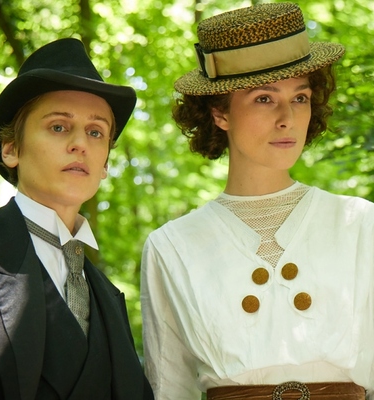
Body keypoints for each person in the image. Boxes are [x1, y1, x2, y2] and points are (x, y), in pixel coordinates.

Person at [141, 3, 374, 399]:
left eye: (300, 98)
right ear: (220, 113)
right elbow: (168, 387)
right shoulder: (172, 246)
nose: (288, 118)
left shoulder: (359, 223)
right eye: (264, 99)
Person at [0, 38, 154, 400]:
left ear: (104, 165)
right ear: (11, 148)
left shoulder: (108, 296)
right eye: (58, 126)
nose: (80, 144)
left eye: (96, 132)